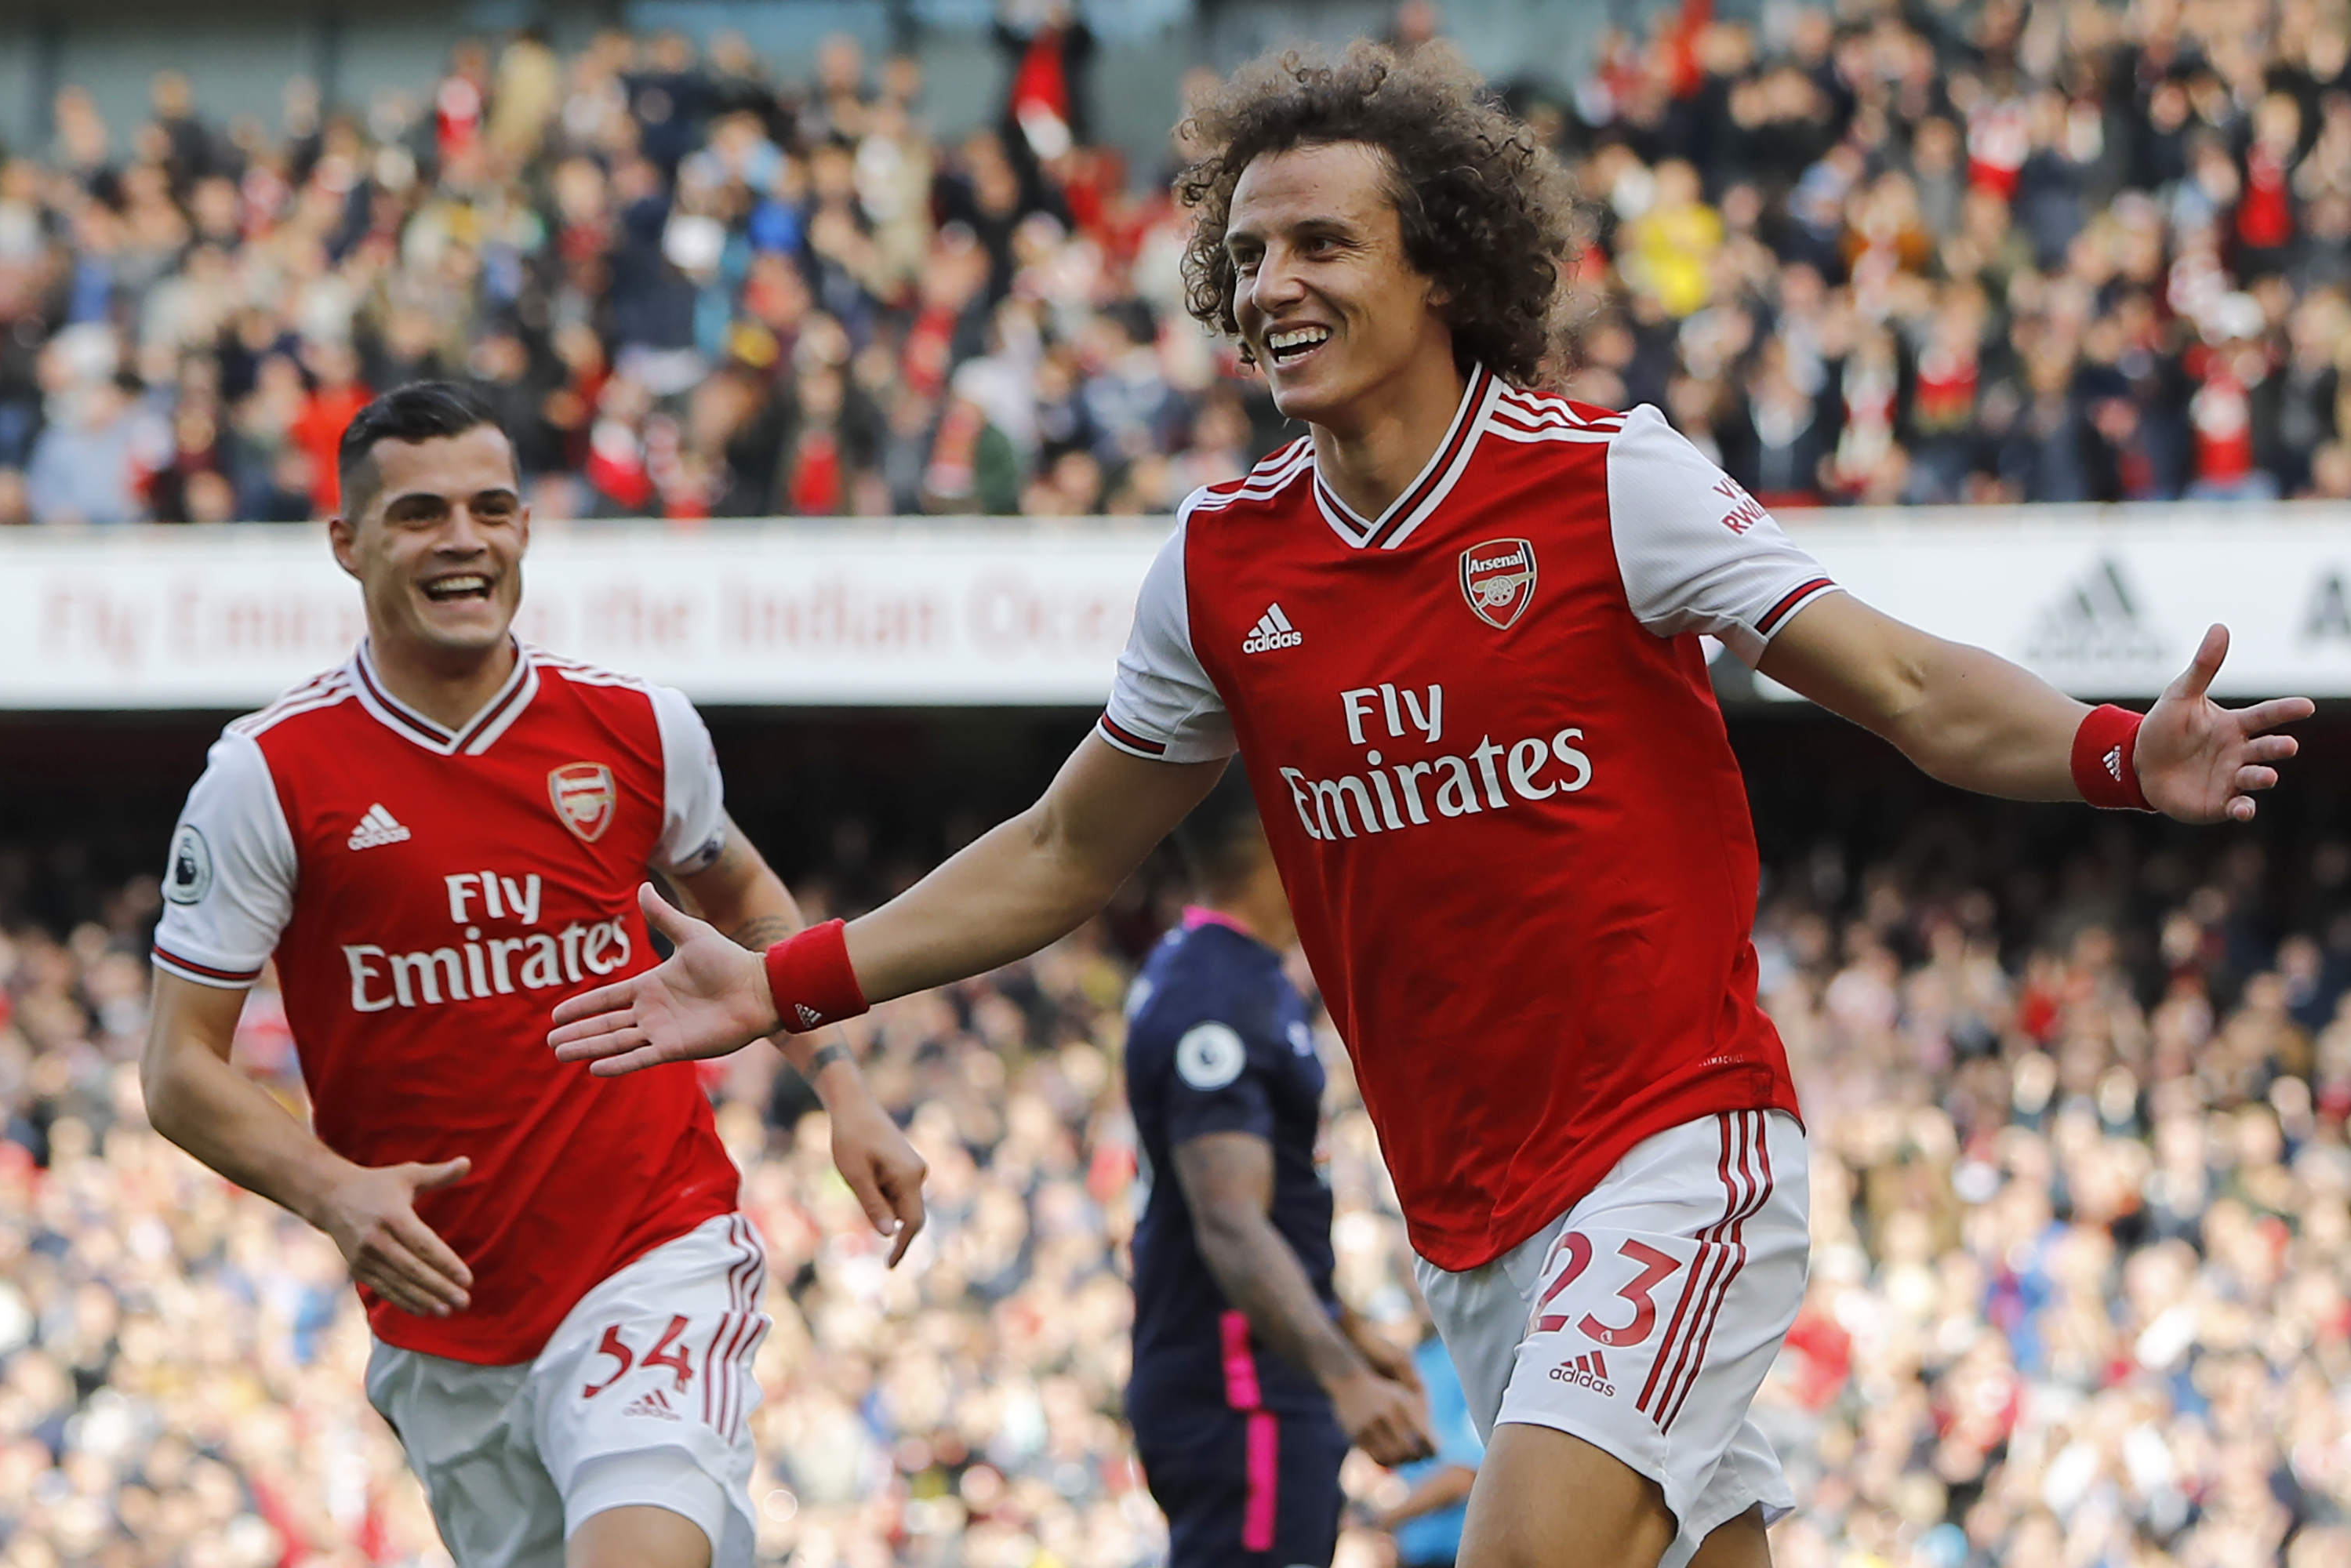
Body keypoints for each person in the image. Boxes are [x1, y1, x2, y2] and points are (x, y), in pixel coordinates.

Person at [546, 42, 2312, 1568]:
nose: (1271, 286)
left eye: (1323, 242)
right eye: (1246, 255)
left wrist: (2109, 753)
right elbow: (1069, 846)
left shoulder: (1609, 484)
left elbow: (1908, 688)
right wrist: (793, 980)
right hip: (1472, 1212)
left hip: (1677, 1149)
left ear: (1445, 265)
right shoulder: (1220, 565)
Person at [142, 380, 928, 1568]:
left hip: (651, 1247)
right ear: (347, 544)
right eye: (419, 514)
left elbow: (750, 904)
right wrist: (332, 1191)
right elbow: (177, 1069)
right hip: (447, 1315)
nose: (464, 539)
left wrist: (843, 1081)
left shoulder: (637, 727)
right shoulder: (269, 776)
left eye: (492, 507)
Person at [1125, 765, 1432, 1566]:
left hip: (1259, 1374)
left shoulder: (1227, 973)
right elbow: (1228, 1218)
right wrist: (1341, 1375)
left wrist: (1348, 1328)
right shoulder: (1217, 994)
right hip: (1242, 1387)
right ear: (1277, 837)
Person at [1373, 1309, 1482, 1568]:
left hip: (1459, 1550)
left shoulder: (1464, 1358)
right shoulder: (1416, 1358)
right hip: (1415, 1549)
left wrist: (1379, 1520)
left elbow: (1464, 1474)